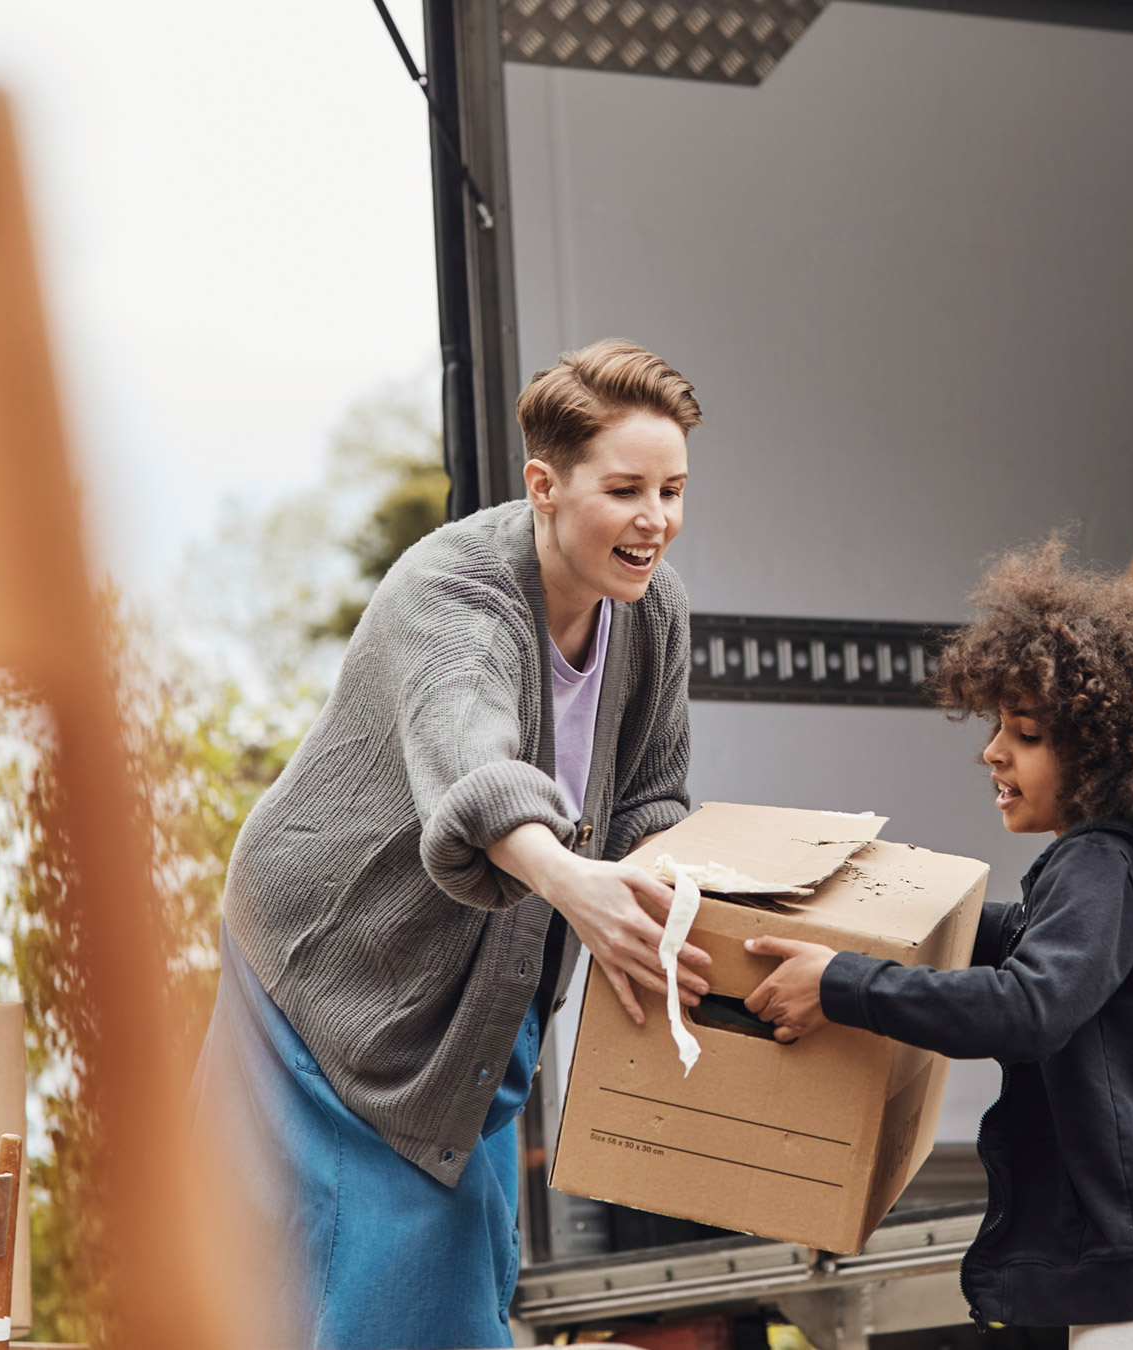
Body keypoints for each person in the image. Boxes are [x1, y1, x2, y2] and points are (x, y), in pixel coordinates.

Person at [191, 339, 714, 1350]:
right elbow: (475, 774)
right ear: (545, 486)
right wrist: (574, 883)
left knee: (453, 1260)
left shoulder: (654, 612)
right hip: (336, 968)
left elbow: (652, 792)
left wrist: (694, 897)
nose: (656, 519)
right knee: (378, 1278)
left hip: (486, 971)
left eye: (674, 489)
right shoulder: (455, 594)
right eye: (627, 489)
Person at [741, 540, 1133, 1350]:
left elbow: (1027, 1008)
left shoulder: (1099, 864)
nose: (992, 751)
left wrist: (841, 984)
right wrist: (883, 915)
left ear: (1108, 753)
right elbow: (1012, 941)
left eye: (1024, 734)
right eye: (997, 727)